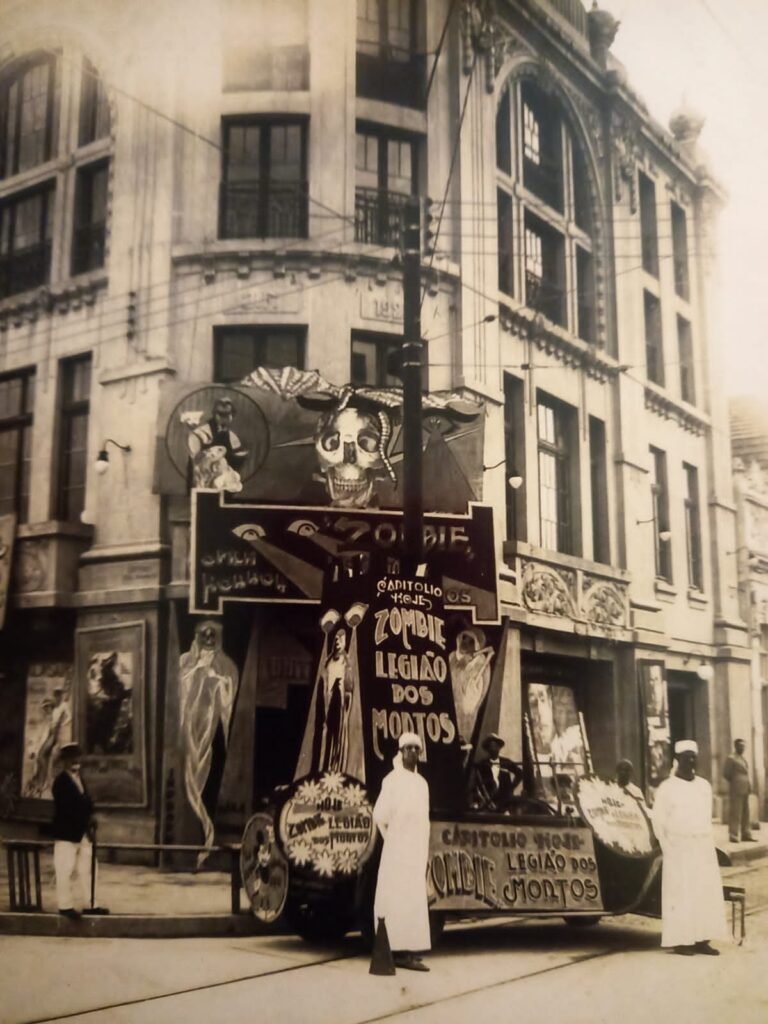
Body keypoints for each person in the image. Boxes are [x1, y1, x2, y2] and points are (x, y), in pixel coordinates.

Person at [652, 739, 727, 956]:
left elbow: (705, 818)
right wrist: (669, 847)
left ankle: (703, 939)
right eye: (685, 757)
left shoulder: (704, 786)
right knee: (681, 895)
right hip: (678, 847)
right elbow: (658, 822)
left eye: (693, 757)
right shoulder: (667, 788)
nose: (690, 761)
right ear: (677, 760)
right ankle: (682, 941)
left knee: (703, 893)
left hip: (701, 846)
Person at [372, 732, 431, 972]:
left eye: (416, 749)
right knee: (394, 898)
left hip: (416, 851)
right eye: (408, 749)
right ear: (401, 751)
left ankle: (409, 950)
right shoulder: (392, 780)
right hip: (397, 850)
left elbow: (424, 819)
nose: (413, 753)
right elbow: (380, 816)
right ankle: (394, 949)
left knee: (412, 899)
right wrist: (394, 841)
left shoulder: (422, 783)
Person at [51, 743, 108, 918]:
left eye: (77, 757)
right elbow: (69, 808)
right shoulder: (60, 782)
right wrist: (87, 818)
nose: (76, 761)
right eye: (71, 758)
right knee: (64, 869)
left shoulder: (79, 779)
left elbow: (86, 802)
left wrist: (91, 816)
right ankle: (65, 906)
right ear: (64, 762)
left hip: (82, 832)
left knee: (89, 868)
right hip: (67, 833)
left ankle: (91, 904)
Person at [469, 733, 523, 812]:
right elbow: (477, 783)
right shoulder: (482, 764)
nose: (493, 749)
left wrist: (511, 787)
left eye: (496, 746)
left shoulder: (506, 762)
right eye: (491, 746)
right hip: (489, 801)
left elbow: (520, 773)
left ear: (499, 748)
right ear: (487, 749)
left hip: (505, 801)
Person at [723, 738, 755, 843]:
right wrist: (736, 781)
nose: (742, 748)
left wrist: (749, 785)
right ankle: (733, 835)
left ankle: (746, 834)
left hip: (745, 788)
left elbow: (746, 773)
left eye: (743, 746)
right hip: (736, 788)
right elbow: (726, 773)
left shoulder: (743, 759)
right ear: (735, 746)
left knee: (746, 813)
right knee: (735, 812)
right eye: (740, 746)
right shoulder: (731, 758)